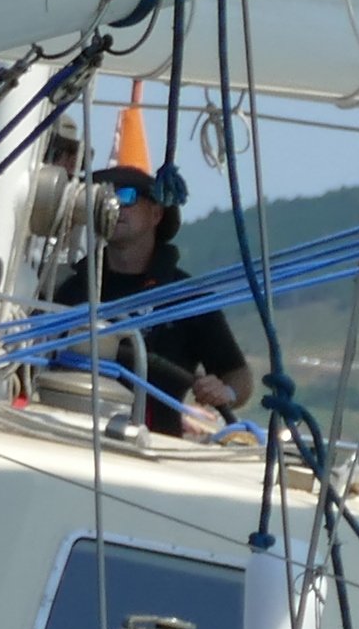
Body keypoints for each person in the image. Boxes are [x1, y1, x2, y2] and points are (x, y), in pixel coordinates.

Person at [54, 167, 252, 434]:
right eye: (104, 197)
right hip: (66, 433)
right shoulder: (70, 290)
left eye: (126, 196)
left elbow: (238, 375)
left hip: (150, 448)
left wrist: (225, 392)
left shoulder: (186, 298)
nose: (113, 205)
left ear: (156, 214)